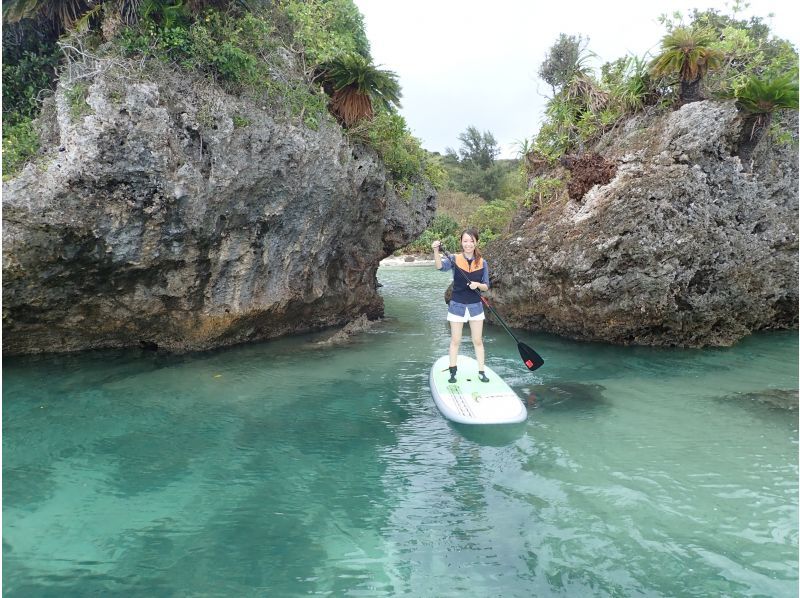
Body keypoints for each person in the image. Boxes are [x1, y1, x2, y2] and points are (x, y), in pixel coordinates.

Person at [432, 229, 491, 384]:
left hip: (475, 306)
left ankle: (481, 371)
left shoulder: (482, 262)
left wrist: (477, 285)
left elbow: (486, 286)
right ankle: (453, 372)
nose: (468, 244)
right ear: (461, 242)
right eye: (465, 241)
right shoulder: (454, 259)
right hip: (457, 305)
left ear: (476, 242)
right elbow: (439, 267)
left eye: (471, 241)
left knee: (477, 341)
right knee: (455, 340)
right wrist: (436, 250)